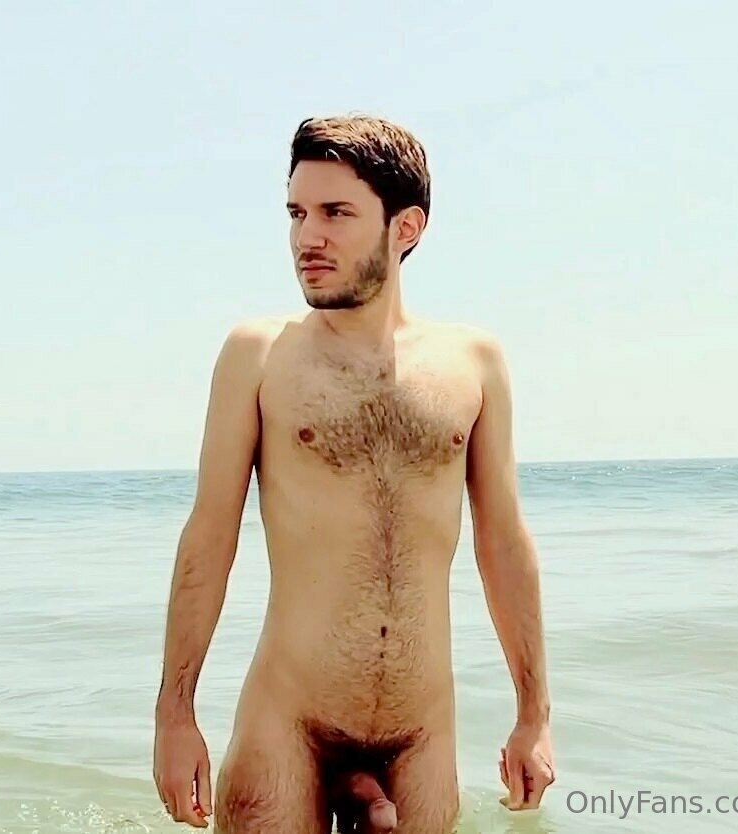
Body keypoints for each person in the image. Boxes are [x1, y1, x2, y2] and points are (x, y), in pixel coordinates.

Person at [151, 113, 555, 833]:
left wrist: (535, 715)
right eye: (297, 213)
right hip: (290, 722)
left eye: (336, 213)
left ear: (406, 227)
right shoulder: (259, 356)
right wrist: (175, 717)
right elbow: (209, 537)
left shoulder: (474, 362)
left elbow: (504, 542)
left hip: (421, 732)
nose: (308, 237)